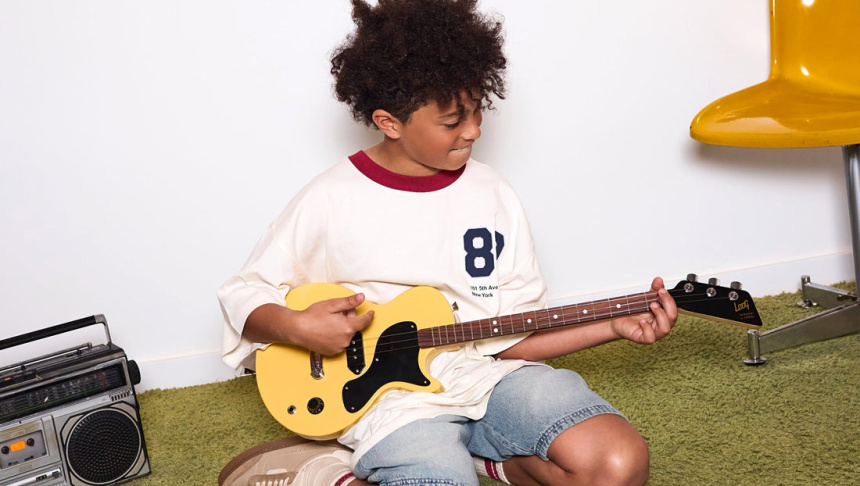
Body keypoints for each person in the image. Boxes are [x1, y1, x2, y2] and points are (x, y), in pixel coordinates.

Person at [217, 1, 678, 485]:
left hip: (483, 377)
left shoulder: (493, 194)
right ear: (390, 122)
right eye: (453, 120)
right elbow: (243, 292)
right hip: (390, 400)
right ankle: (330, 471)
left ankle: (485, 459)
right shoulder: (330, 198)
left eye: (478, 110)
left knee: (617, 465)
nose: (475, 130)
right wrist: (296, 327)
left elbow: (511, 340)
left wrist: (614, 326)